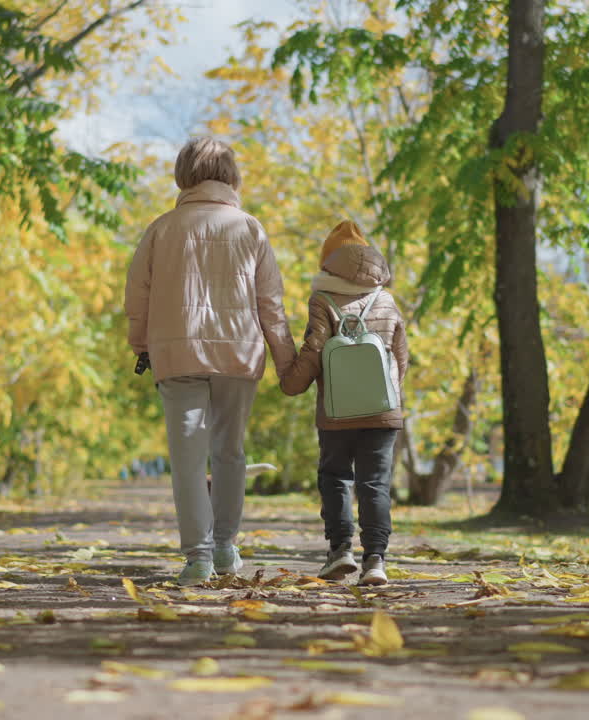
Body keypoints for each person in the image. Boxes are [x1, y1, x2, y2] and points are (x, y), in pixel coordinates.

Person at [125, 137, 296, 586]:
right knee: (229, 452)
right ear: (231, 175)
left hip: (176, 352)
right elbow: (270, 303)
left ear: (183, 174)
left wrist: (140, 341)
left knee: (187, 458)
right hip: (239, 352)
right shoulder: (250, 229)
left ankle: (197, 558)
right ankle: (224, 547)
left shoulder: (162, 228)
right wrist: (286, 359)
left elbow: (137, 294)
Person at [280, 220, 408, 586]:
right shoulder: (386, 300)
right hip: (384, 412)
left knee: (335, 477)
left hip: (336, 413)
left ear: (328, 264)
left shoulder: (322, 299)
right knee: (376, 484)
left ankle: (340, 552)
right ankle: (376, 560)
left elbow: (315, 349)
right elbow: (401, 356)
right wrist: (389, 397)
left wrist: (292, 383)